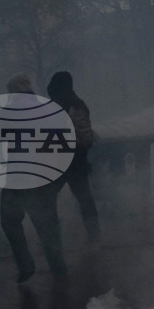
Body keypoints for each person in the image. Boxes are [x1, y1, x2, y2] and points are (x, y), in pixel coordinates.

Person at [0, 73, 66, 283]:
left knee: (9, 220)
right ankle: (59, 269)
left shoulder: (11, 110)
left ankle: (25, 264)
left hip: (18, 178)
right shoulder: (47, 109)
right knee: (48, 226)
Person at [47, 71, 100, 243]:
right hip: (73, 160)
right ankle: (93, 237)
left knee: (50, 199)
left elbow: (84, 136)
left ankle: (54, 239)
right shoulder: (74, 105)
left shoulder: (71, 107)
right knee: (83, 199)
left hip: (69, 160)